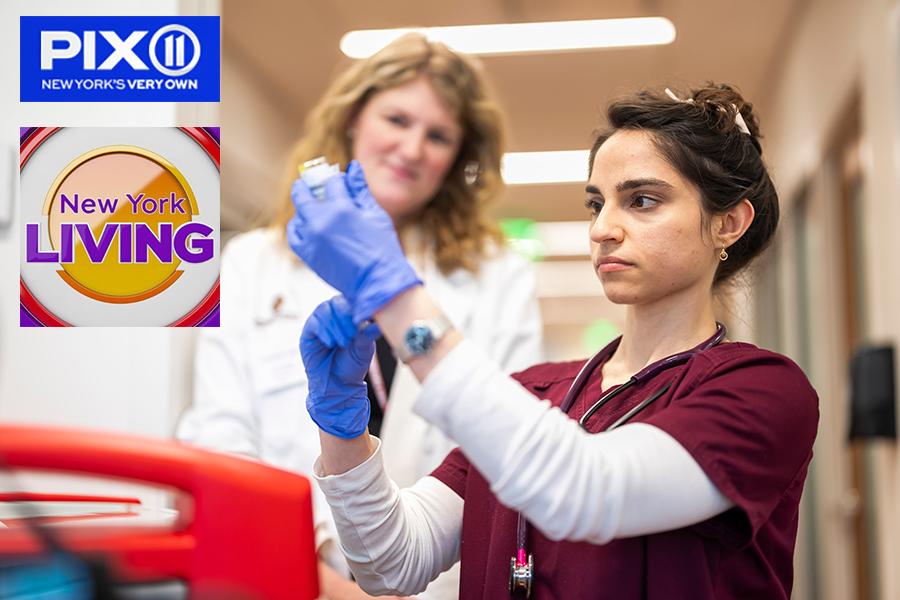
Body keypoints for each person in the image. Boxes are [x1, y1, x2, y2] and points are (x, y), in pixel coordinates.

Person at [289, 83, 820, 599]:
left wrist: (394, 296)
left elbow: (590, 490)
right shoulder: (536, 390)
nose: (603, 229)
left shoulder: (765, 392)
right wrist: (342, 429)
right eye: (597, 204)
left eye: (641, 200)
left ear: (728, 222)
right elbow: (393, 562)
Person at [176, 33, 543, 600]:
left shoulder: (498, 276)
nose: (413, 148)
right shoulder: (253, 263)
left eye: (439, 135)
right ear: (352, 120)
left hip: (437, 581)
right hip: (288, 575)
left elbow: (507, 444)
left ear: (457, 159)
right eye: (396, 119)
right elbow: (221, 440)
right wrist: (318, 581)